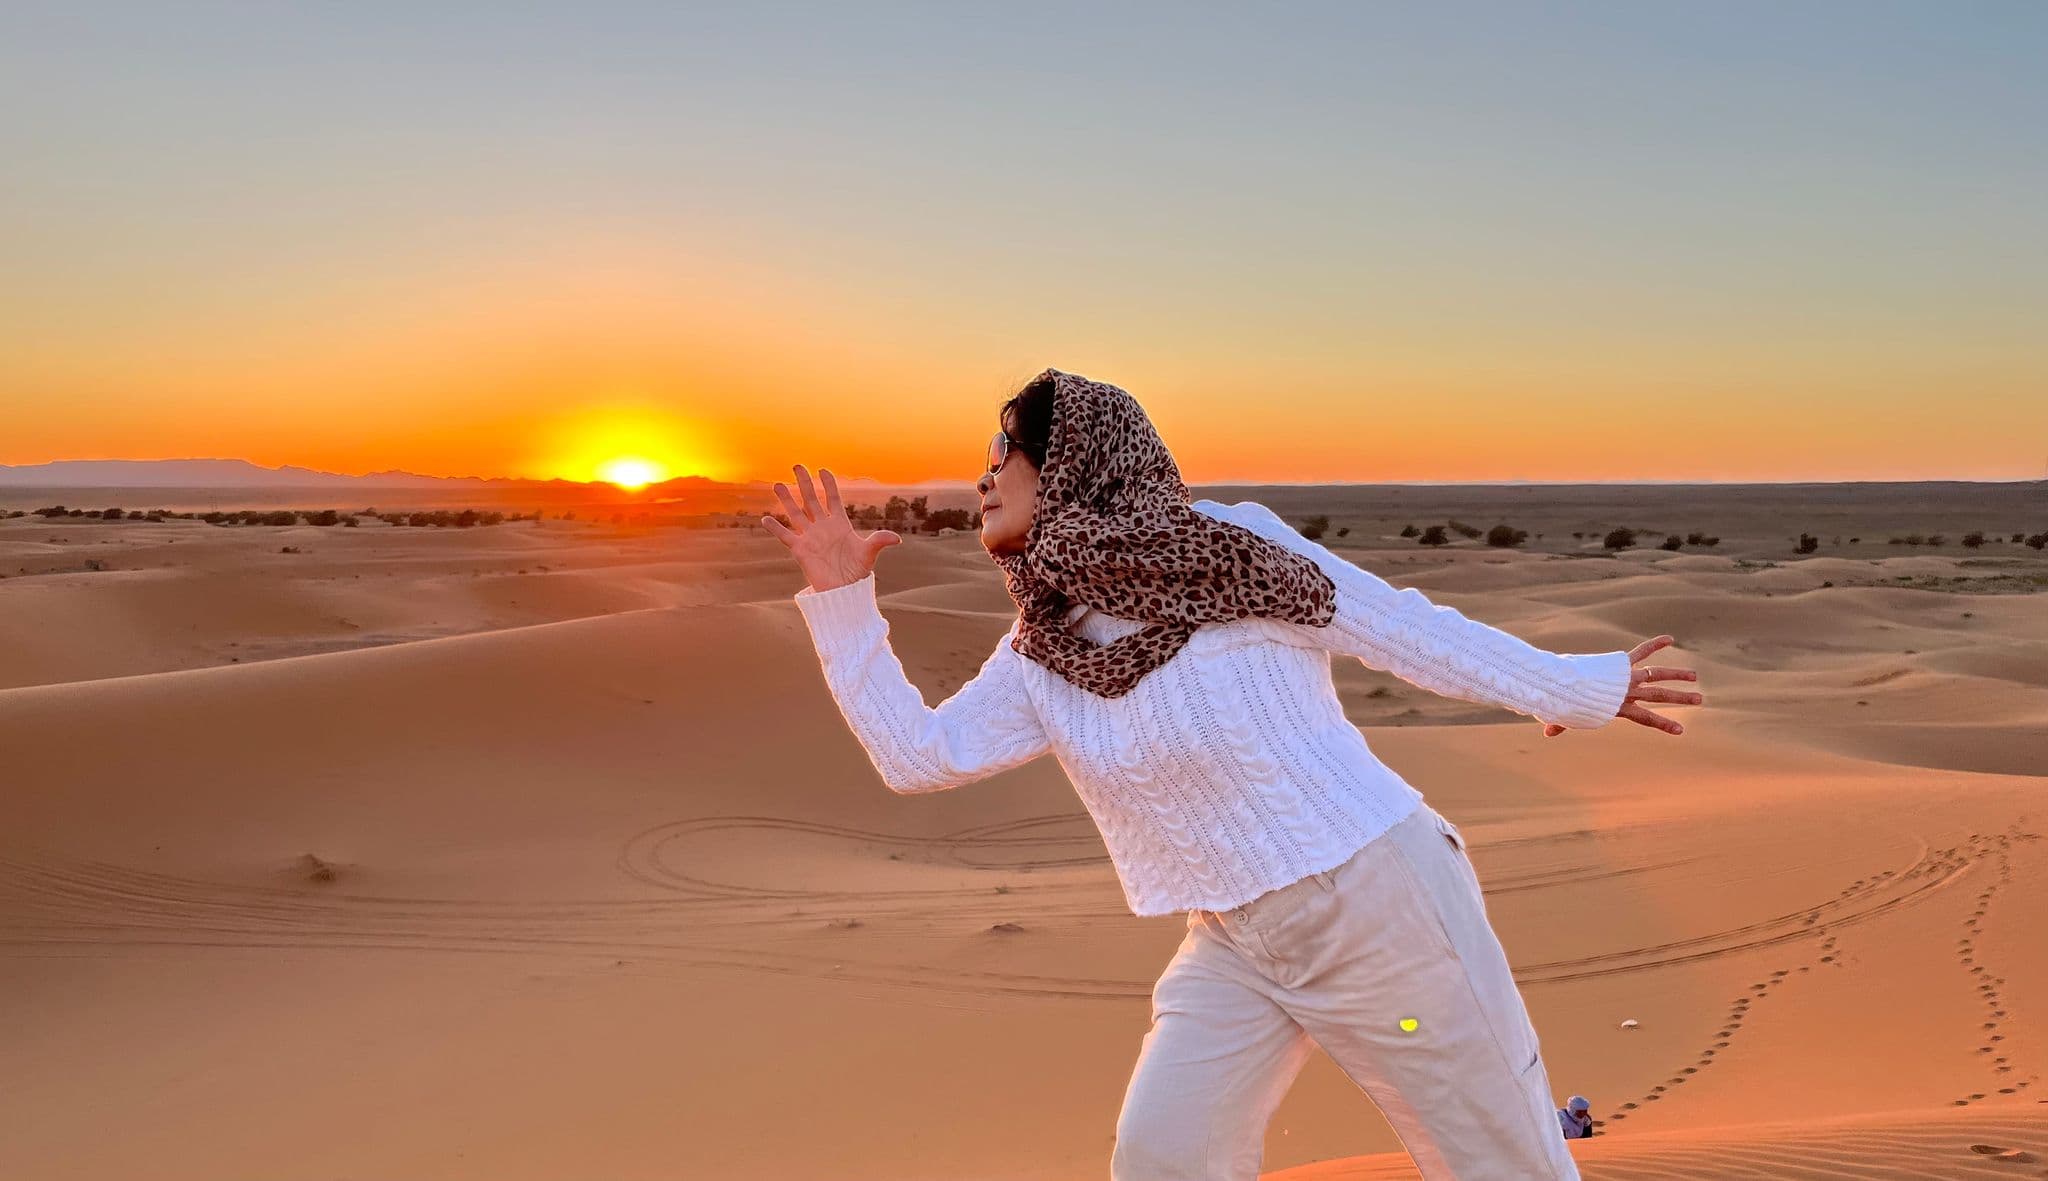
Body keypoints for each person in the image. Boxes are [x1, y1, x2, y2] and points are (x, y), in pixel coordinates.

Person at [762, 368, 1701, 1180]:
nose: (983, 472)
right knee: (1165, 1155)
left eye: (1007, 446)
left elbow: (1396, 624)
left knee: (1503, 1164)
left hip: (1379, 907)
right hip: (1235, 941)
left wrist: (1575, 685)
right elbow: (918, 756)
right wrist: (843, 598)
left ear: (1081, 459)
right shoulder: (1042, 646)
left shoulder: (1226, 546)